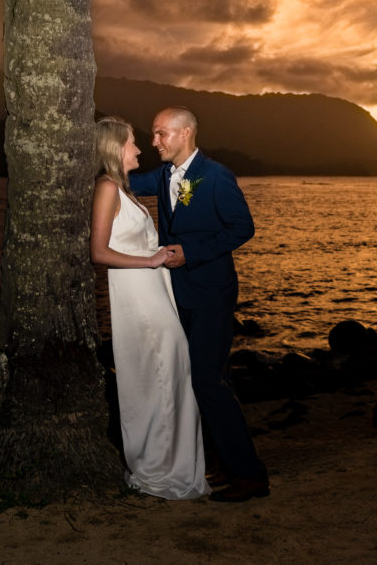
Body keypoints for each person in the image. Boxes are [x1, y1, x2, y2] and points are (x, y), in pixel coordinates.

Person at [129, 106, 269, 502]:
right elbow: (124, 182)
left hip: (210, 293)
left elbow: (243, 227)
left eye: (161, 134)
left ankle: (250, 475)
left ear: (186, 132)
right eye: (153, 135)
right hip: (176, 294)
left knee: (207, 380)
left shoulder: (216, 176)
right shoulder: (161, 175)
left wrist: (190, 252)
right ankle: (222, 463)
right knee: (204, 379)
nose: (154, 142)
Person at [90, 116, 209, 500]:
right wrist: (151, 260)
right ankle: (158, 469)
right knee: (159, 372)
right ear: (114, 148)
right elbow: (98, 251)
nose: (139, 149)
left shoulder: (124, 189)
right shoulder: (107, 187)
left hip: (154, 292)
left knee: (170, 372)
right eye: (131, 143)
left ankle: (173, 465)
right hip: (138, 294)